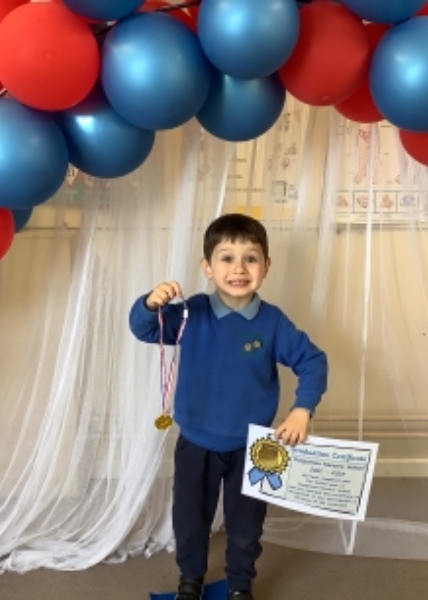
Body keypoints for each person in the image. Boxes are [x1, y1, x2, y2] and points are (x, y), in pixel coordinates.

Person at [129, 214, 328, 600]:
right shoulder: (191, 312)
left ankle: (240, 585)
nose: (239, 268)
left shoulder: (272, 322)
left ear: (266, 266)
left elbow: (313, 361)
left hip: (254, 447)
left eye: (251, 258)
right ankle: (190, 580)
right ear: (207, 267)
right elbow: (146, 329)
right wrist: (150, 304)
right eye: (227, 258)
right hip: (196, 443)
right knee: (190, 521)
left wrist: (302, 409)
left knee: (246, 526)